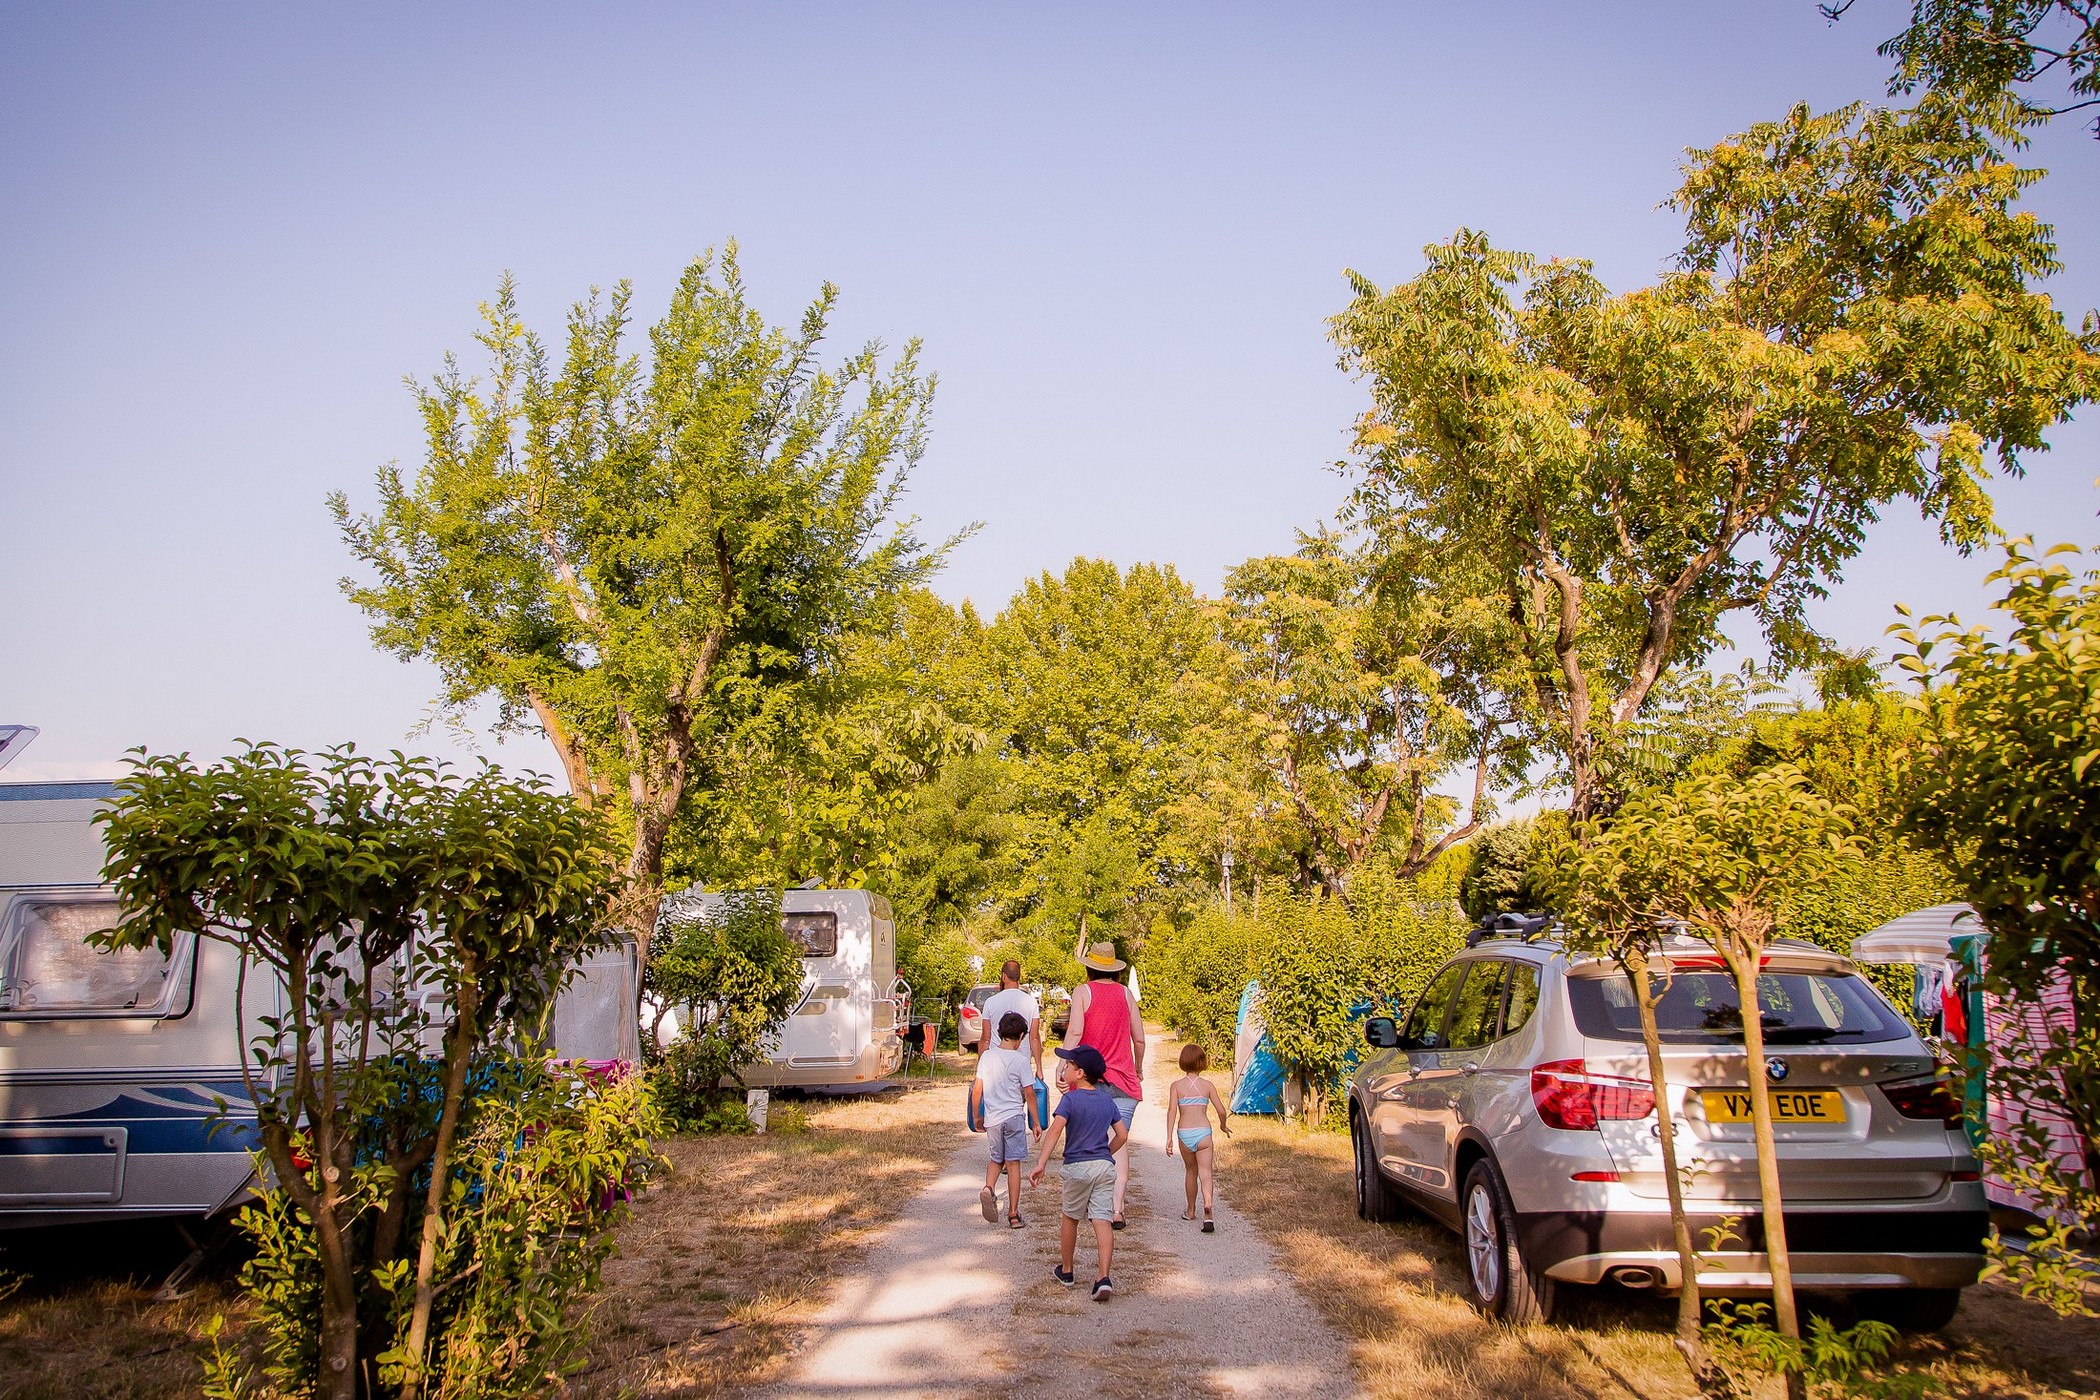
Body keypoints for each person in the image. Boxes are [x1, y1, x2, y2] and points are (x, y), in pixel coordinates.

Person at [1026, 1044, 1126, 1301]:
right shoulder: (1106, 1100)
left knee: (1070, 1216)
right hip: (1104, 1167)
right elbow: (1123, 1134)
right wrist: (1106, 1152)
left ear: (1080, 1073)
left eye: (1068, 1066)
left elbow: (1056, 1130)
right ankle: (1103, 1277)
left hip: (1077, 1167)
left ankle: (1067, 1270)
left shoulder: (1070, 1099)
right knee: (1102, 1219)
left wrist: (1041, 1163)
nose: (1064, 1070)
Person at [1062, 940, 1144, 1228]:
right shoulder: (1125, 994)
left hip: (1090, 1082)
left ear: (1089, 968)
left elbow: (1074, 1032)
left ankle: (1082, 1200)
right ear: (1115, 970)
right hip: (1124, 1083)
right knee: (1119, 1144)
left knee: (1087, 1142)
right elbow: (1139, 1038)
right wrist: (1139, 1068)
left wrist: (1063, 1065)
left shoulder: (1082, 992)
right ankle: (1117, 1208)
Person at [970, 1011, 1038, 1228]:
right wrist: (1036, 1122)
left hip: (993, 1119)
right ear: (1020, 1036)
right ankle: (1013, 1214)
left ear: (999, 1033)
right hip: (1014, 1117)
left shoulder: (987, 1057)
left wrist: (977, 1117)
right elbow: (1029, 1093)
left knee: (996, 1159)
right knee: (1013, 1164)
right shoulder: (1020, 1060)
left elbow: (977, 1090)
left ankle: (988, 1188)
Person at [1162, 1043, 1231, 1231]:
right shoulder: (1207, 1086)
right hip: (1204, 1132)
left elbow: (1171, 1111)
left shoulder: (1176, 1086)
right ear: (1202, 1062)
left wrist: (1169, 1137)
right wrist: (1223, 1125)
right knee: (1206, 1172)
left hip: (1184, 1132)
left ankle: (1191, 1210)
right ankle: (1208, 1209)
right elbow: (1221, 1110)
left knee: (1190, 1171)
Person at [980, 959, 1043, 1079]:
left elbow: (985, 1039)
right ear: (1019, 977)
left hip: (996, 1063)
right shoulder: (1031, 1002)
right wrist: (1039, 1068)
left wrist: (981, 1066)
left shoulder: (990, 1002)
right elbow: (1034, 1037)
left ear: (1003, 976)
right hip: (1022, 1062)